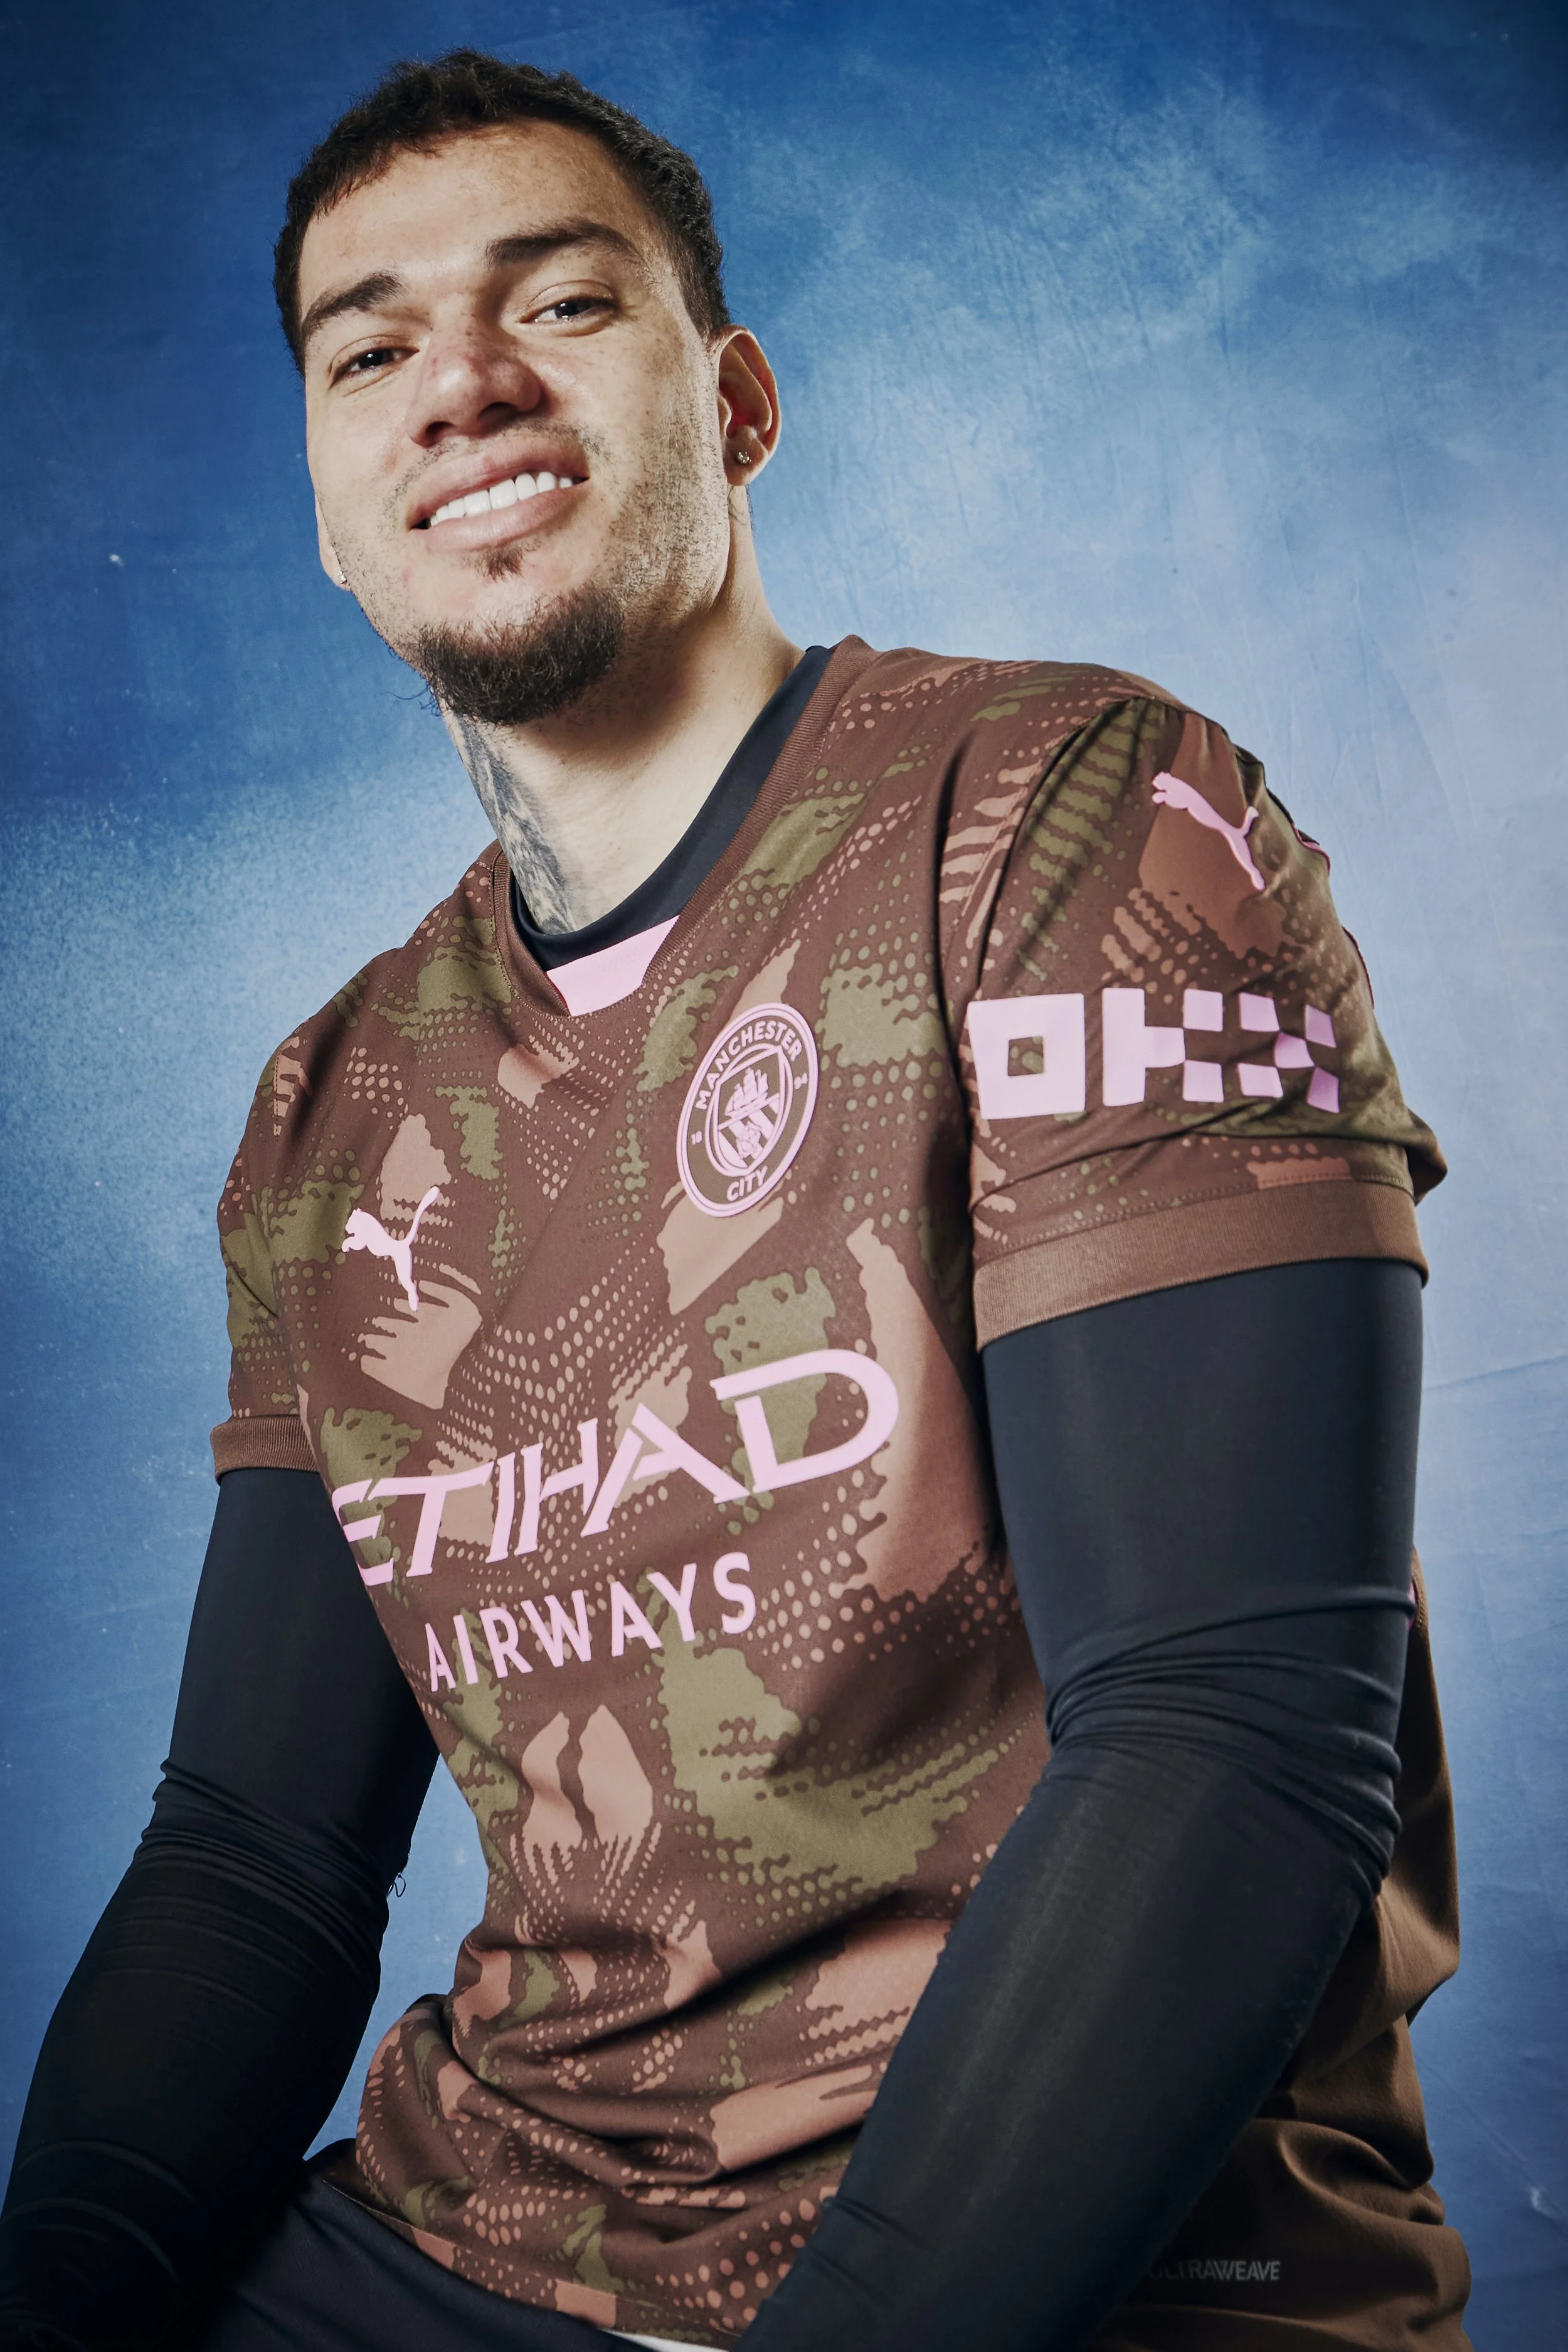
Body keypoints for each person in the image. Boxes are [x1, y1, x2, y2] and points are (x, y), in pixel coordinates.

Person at [0, 48, 1473, 2352]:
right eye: (366, 349)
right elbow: (256, 1858)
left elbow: (1230, 1735)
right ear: (326, 494)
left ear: (738, 398)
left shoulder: (1064, 818)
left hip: (1086, 2251)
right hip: (480, 2238)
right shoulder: (339, 1099)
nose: (457, 383)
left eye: (558, 304)